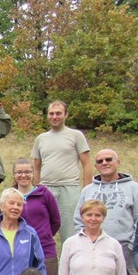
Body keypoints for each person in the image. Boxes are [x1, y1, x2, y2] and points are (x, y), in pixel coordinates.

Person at [31, 100, 92, 243]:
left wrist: (87, 192)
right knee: (41, 231)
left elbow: (87, 165)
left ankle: (71, 257)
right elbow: (36, 167)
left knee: (70, 232)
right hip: (46, 189)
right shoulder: (41, 138)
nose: (54, 117)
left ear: (66, 115)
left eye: (58, 113)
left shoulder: (76, 135)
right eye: (51, 113)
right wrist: (35, 190)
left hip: (69, 188)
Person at [12, 157, 62, 275]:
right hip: (19, 252)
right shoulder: (11, 196)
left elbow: (56, 220)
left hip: (46, 250)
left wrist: (44, 235)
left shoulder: (44, 193)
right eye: (19, 172)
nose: (23, 175)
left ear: (33, 173)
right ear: (14, 175)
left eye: (27, 172)